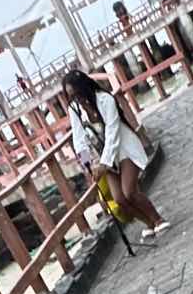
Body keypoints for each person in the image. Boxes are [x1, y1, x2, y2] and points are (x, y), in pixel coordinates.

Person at [63, 65, 169, 240]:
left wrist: (104, 163)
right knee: (119, 200)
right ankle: (148, 223)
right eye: (71, 96)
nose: (76, 99)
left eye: (76, 94)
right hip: (105, 159)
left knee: (130, 192)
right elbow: (78, 138)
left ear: (84, 88)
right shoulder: (75, 109)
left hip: (124, 149)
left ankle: (158, 219)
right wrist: (87, 163)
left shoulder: (105, 100)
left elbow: (113, 132)